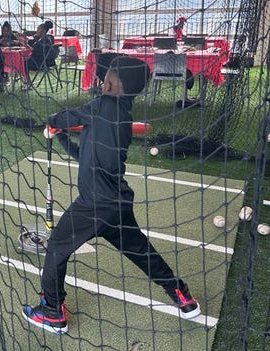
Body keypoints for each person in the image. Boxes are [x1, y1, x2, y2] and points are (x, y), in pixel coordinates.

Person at [22, 56, 201, 334]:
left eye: (109, 81)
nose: (103, 83)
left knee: (56, 246)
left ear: (118, 88)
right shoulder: (119, 117)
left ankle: (52, 312)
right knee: (141, 252)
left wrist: (53, 122)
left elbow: (66, 115)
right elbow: (84, 155)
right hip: (116, 204)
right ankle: (182, 295)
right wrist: (60, 137)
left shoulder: (104, 105)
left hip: (93, 204)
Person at [18, 23, 59, 90]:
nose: (36, 31)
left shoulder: (45, 41)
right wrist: (25, 39)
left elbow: (36, 52)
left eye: (38, 29)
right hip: (46, 61)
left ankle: (28, 83)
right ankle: (27, 81)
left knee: (24, 63)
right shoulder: (40, 39)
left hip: (43, 63)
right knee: (24, 60)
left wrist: (26, 45)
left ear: (43, 30)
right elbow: (32, 43)